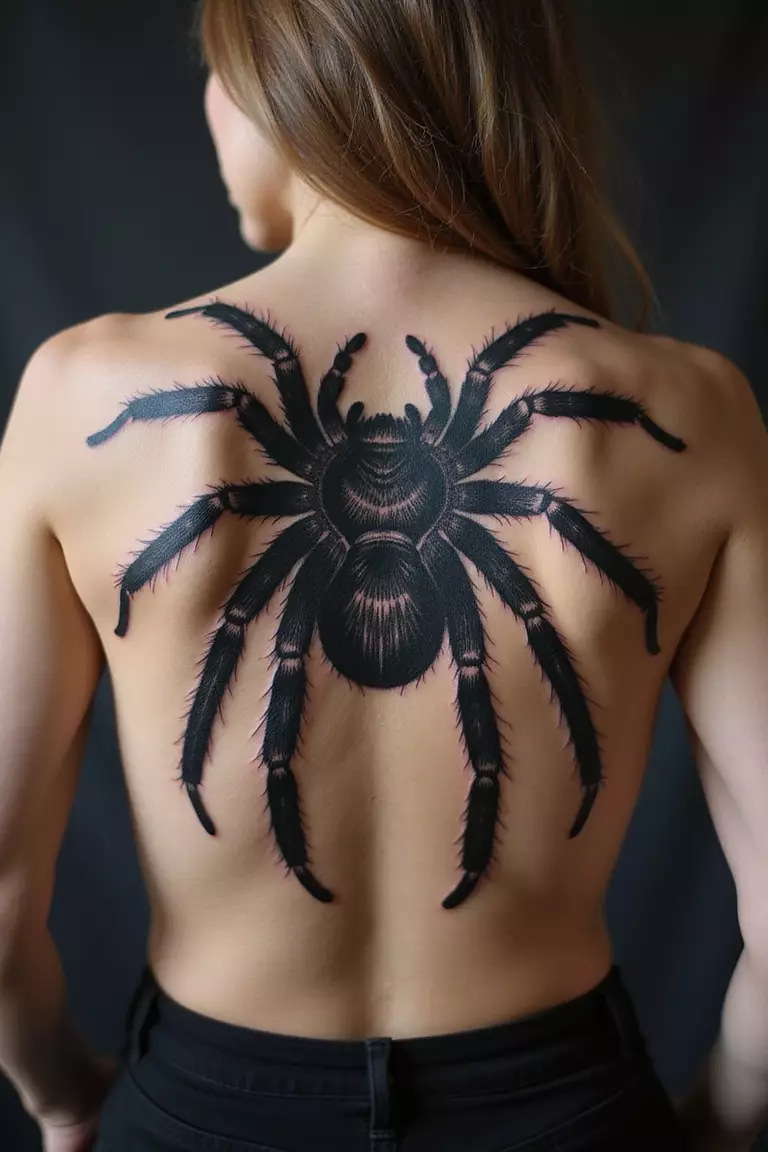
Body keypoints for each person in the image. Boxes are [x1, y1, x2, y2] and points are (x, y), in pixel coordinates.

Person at [0, 1, 765, 1150]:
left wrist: (63, 1097)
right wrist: (724, 1120)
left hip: (209, 1104)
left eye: (219, 73)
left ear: (276, 87)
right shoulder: (688, 410)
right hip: (563, 1107)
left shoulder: (86, 396)